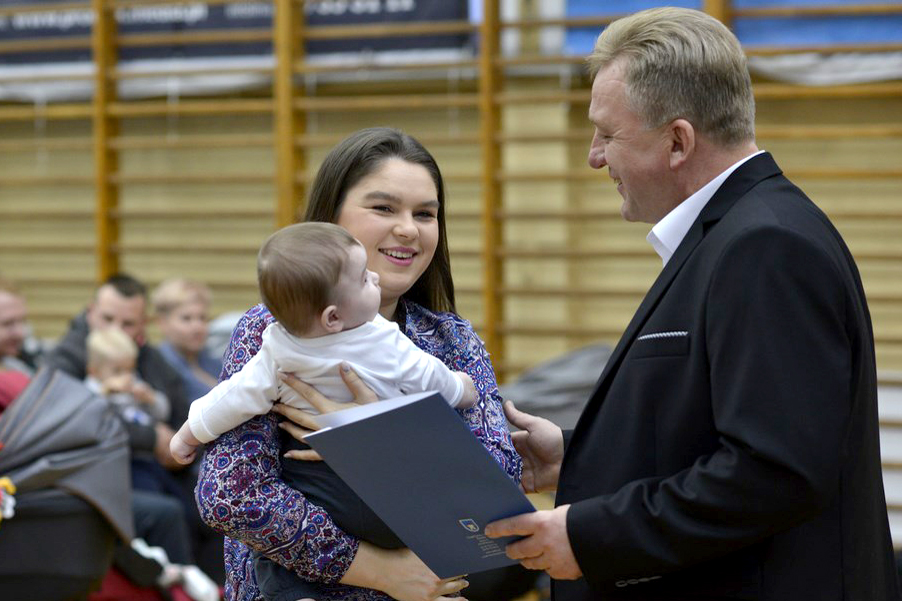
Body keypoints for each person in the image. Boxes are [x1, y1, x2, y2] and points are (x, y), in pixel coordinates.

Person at [483, 7, 900, 601]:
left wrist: (591, 535)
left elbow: (772, 472)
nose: (594, 157)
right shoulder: (739, 234)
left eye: (607, 134)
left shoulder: (765, 246)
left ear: (678, 141)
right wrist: (573, 455)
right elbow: (708, 430)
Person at [195, 127, 522, 601]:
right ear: (331, 219)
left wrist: (379, 443)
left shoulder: (452, 340)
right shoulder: (274, 335)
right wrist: (380, 571)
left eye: (425, 214)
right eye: (384, 208)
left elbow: (496, 494)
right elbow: (231, 496)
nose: (408, 228)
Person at [152, 277, 223, 403]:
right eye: (186, 318)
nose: (197, 327)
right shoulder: (157, 366)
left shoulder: (216, 361)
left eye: (202, 318)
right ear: (162, 322)